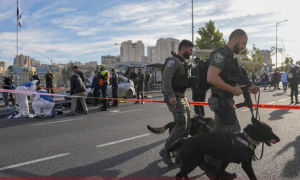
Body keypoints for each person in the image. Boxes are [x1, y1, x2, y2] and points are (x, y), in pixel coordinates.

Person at [204, 29, 259, 179]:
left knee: (221, 137)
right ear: (235, 39)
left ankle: (209, 163)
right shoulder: (221, 54)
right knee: (233, 137)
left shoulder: (230, 57)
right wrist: (232, 90)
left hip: (224, 100)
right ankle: (213, 166)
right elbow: (212, 77)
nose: (244, 47)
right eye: (243, 43)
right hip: (221, 101)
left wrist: (249, 89)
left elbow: (230, 80)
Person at [159, 39, 193, 165]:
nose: (191, 53)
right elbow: (165, 78)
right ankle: (165, 150)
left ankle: (180, 152)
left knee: (187, 125)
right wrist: (171, 95)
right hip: (175, 97)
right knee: (180, 124)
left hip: (182, 97)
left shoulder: (182, 62)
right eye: (190, 50)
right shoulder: (173, 61)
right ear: (183, 48)